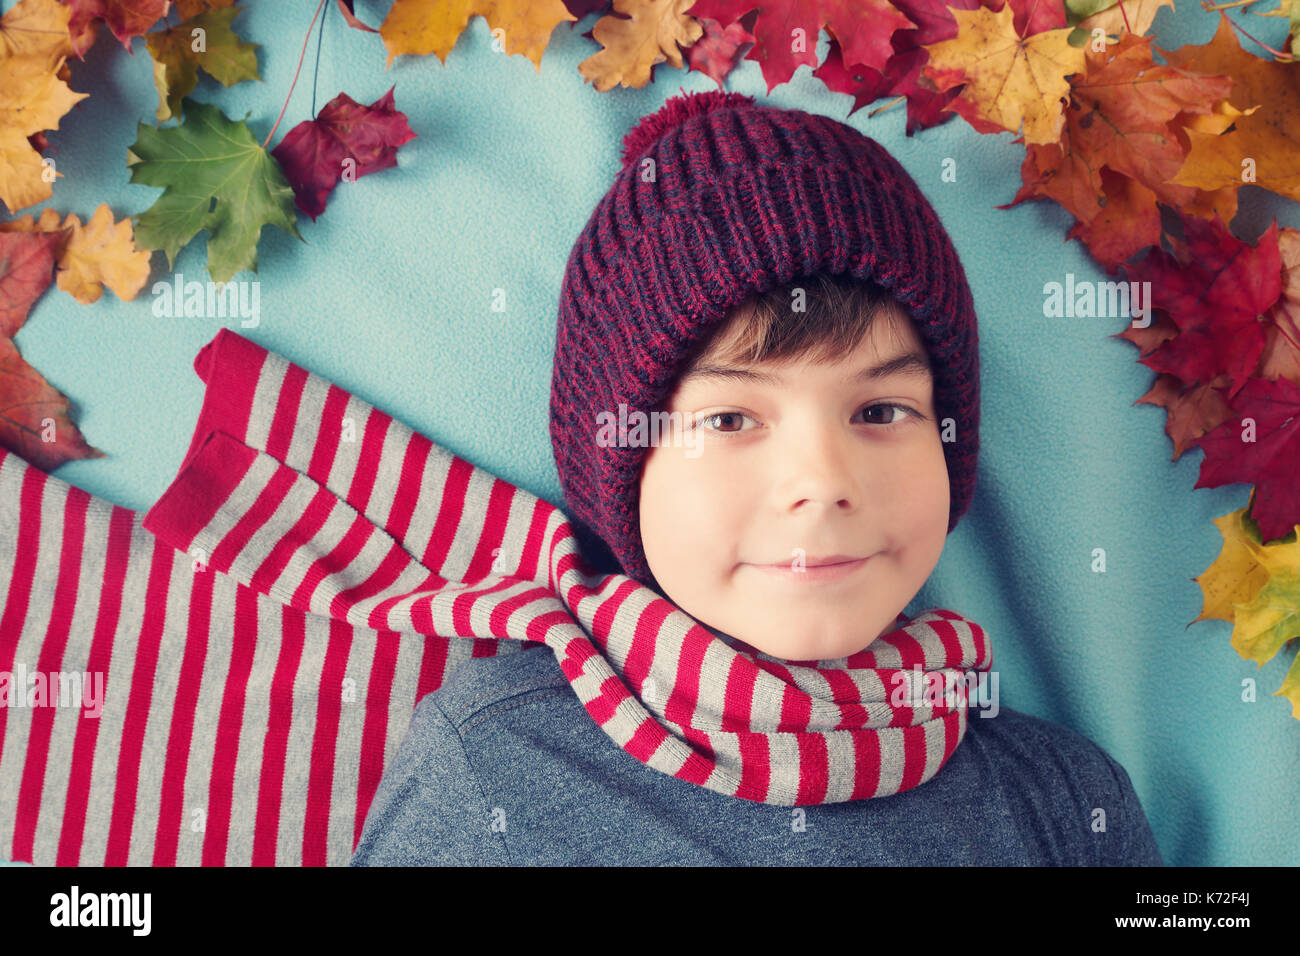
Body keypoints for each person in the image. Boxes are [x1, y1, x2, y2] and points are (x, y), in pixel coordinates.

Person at [348, 89, 1163, 866]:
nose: (822, 481)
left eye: (880, 411)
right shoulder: (493, 769)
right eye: (731, 420)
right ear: (620, 476)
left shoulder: (1064, 802)